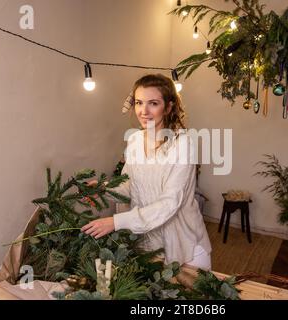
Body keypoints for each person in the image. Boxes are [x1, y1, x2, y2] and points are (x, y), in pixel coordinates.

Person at [81, 74, 212, 270]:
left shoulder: (183, 144)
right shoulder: (134, 141)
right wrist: (103, 189)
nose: (144, 111)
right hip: (147, 246)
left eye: (153, 103)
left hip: (185, 247)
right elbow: (129, 185)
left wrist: (116, 222)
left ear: (168, 107)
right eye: (139, 103)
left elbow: (170, 203)